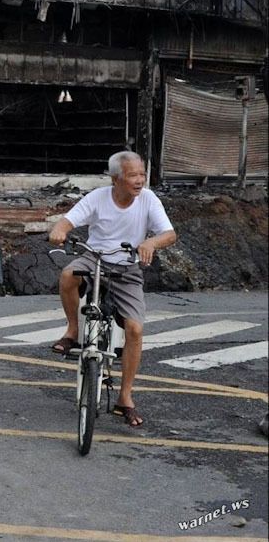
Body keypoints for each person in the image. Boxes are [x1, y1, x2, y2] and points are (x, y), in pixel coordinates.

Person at [48, 151, 177, 427]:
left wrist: (151, 243)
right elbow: (68, 220)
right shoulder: (98, 198)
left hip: (126, 269)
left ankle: (125, 398)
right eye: (133, 175)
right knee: (68, 274)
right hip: (94, 259)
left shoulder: (149, 199)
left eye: (142, 174)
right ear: (116, 178)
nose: (140, 180)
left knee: (135, 329)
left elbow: (169, 233)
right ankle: (72, 330)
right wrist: (59, 230)